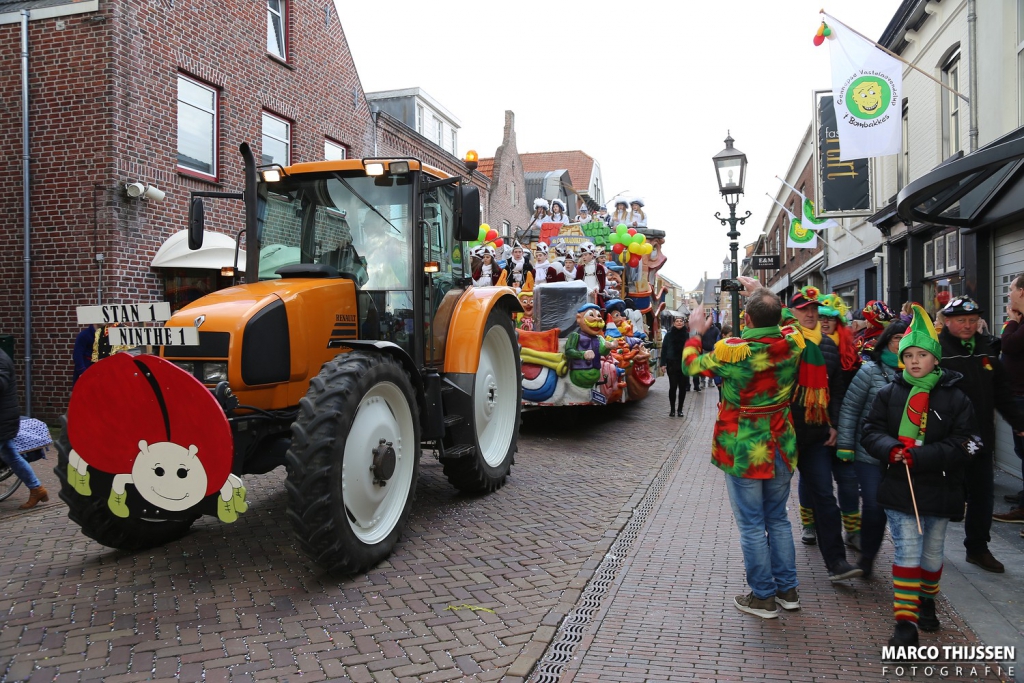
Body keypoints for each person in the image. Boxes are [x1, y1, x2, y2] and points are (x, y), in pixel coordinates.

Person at [684, 280, 804, 619]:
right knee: (778, 519)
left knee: (752, 524)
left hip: (745, 447)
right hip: (780, 443)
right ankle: (788, 590)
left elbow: (690, 365)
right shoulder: (792, 343)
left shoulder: (732, 351)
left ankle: (763, 597)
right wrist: (763, 291)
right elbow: (792, 324)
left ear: (747, 319)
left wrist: (695, 332)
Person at [862, 304, 978, 647]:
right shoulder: (888, 394)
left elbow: (969, 443)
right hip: (901, 487)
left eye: (922, 355)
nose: (914, 361)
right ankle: (905, 625)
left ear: (935, 359)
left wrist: (921, 455)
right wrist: (890, 449)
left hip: (941, 488)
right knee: (908, 553)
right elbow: (871, 431)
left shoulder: (956, 397)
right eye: (908, 355)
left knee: (931, 554)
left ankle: (927, 599)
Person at [938, 295, 1024, 573]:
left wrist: (1018, 422)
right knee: (944, 495)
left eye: (973, 320)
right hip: (948, 440)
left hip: (980, 438)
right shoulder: (937, 351)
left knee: (982, 494)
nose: (967, 325)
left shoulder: (985, 348)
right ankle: (930, 549)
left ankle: (977, 548)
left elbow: (1002, 391)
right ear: (947, 321)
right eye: (961, 320)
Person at [788, 286, 861, 581]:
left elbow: (837, 391)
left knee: (825, 497)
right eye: (804, 309)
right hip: (783, 434)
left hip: (816, 434)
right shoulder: (784, 342)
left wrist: (834, 424)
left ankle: (837, 562)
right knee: (772, 504)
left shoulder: (828, 345)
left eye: (814, 309)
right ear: (792, 312)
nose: (810, 314)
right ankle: (772, 569)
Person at [837, 320, 908, 577]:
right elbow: (850, 409)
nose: (901, 343)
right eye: (897, 338)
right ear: (886, 340)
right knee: (874, 506)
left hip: (905, 456)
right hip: (869, 454)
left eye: (906, 338)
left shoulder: (920, 374)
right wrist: (845, 445)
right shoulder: (869, 371)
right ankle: (866, 560)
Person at [0, 347, 48, 509]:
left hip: (3, 419)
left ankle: (36, 488)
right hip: (5, 417)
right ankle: (37, 489)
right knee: (11, 455)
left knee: (11, 454)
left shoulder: (1, 360)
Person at [995, 274, 1024, 513]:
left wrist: (1012, 322)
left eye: (1011, 289)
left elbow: (1009, 345)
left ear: (1022, 292)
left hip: (1022, 396)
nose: (1008, 293)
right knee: (1020, 450)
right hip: (1017, 395)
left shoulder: (1019, 322)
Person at [659, 313, 688, 417]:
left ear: (683, 323)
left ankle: (680, 409)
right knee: (673, 387)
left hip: (684, 364)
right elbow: (664, 350)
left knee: (683, 388)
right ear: (674, 323)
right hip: (672, 364)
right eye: (677, 321)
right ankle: (672, 410)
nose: (679, 323)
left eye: (681, 321)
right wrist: (663, 364)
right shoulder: (668, 335)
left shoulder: (687, 335)